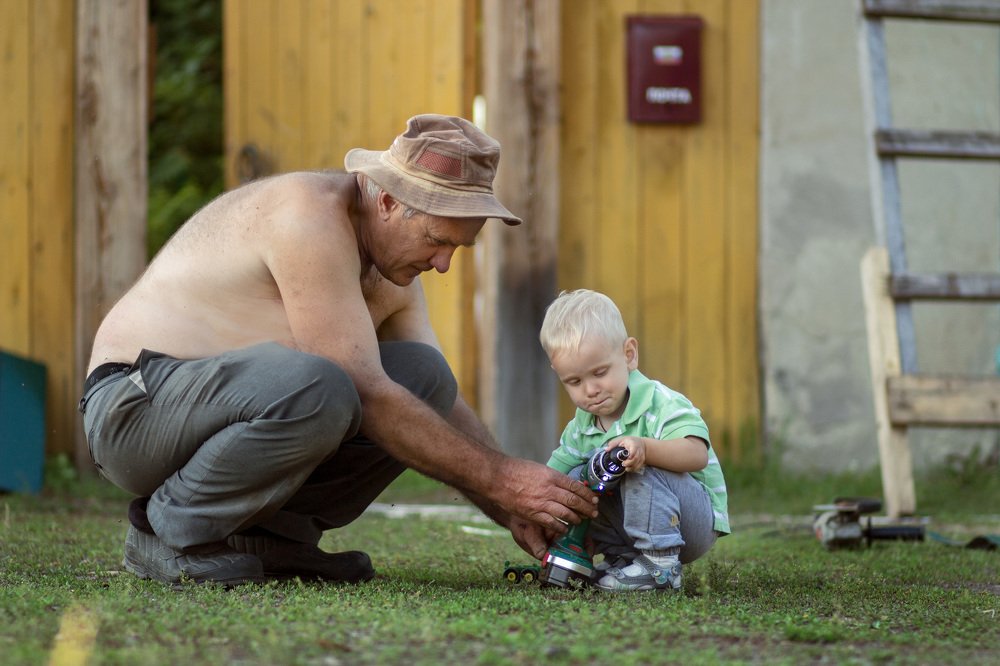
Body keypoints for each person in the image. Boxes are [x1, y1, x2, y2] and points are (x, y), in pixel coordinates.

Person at [79, 114, 598, 586]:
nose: (443, 265)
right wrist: (503, 480)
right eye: (439, 241)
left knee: (426, 378)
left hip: (211, 412)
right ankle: (167, 532)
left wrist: (510, 507)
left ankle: (270, 538)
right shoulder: (307, 217)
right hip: (132, 408)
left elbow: (433, 402)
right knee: (326, 384)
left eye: (456, 250)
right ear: (390, 201)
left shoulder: (391, 263)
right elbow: (363, 389)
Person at [539, 289, 730, 592]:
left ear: (628, 355)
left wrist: (646, 448)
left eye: (599, 372)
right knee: (577, 478)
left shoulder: (661, 402)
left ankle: (660, 566)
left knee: (635, 464)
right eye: (574, 381)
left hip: (689, 523)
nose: (590, 390)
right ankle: (623, 561)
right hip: (632, 530)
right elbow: (552, 478)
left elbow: (696, 455)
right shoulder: (582, 424)